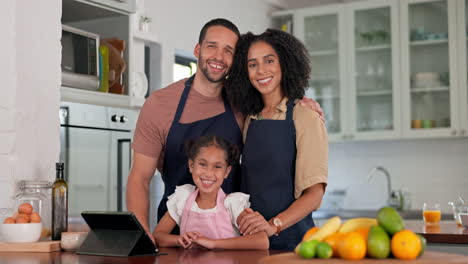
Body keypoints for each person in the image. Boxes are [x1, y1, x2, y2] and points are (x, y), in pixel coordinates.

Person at [127, 18, 323, 238]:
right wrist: (142, 237)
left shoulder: (243, 103)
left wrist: (300, 99)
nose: (219, 57)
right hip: (175, 235)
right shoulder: (160, 104)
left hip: (231, 234)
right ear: (198, 49)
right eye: (212, 46)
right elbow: (140, 178)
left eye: (229, 51)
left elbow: (274, 93)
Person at [224, 29, 328, 250]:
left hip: (294, 243)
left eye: (269, 61)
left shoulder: (305, 115)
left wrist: (274, 225)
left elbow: (315, 194)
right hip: (252, 241)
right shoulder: (250, 119)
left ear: (285, 63)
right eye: (252, 64)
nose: (261, 71)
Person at [153, 135, 269, 250]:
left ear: (227, 172)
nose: (209, 173)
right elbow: (158, 236)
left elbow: (262, 241)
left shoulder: (233, 204)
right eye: (202, 164)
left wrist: (212, 243)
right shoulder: (183, 198)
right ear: (191, 165)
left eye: (217, 166)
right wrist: (179, 240)